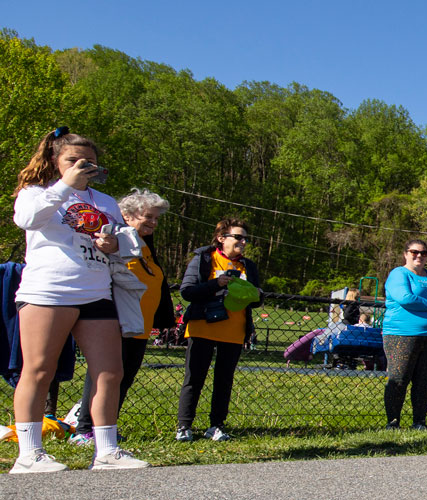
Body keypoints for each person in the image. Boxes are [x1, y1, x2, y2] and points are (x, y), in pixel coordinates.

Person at [9, 128, 147, 472]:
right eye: (74, 160)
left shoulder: (105, 202)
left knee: (109, 372)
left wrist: (114, 245)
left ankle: (107, 451)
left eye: (90, 163)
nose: (83, 167)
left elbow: (130, 243)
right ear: (56, 162)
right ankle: (29, 454)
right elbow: (27, 220)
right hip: (49, 292)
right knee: (40, 370)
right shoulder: (36, 193)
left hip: (96, 292)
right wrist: (64, 185)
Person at [68, 188, 176, 446]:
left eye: (156, 218)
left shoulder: (145, 244)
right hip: (116, 319)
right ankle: (83, 429)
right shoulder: (115, 238)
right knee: (102, 374)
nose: (153, 222)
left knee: (123, 378)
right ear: (127, 216)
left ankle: (106, 428)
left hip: (140, 323)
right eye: (148, 217)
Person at [175, 217, 261, 443]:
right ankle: (184, 426)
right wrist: (217, 283)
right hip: (202, 327)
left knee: (224, 380)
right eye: (238, 237)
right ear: (221, 238)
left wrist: (252, 293)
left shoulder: (247, 266)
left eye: (245, 238)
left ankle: (216, 426)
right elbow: (187, 292)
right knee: (194, 378)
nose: (243, 242)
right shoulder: (204, 258)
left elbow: (257, 300)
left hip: (233, 331)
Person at [383, 239, 427, 430]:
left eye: (424, 253)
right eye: (415, 252)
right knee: (399, 377)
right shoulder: (399, 274)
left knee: (424, 380)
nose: (419, 256)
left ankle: (419, 421)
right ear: (406, 253)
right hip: (401, 333)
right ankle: (393, 422)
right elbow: (406, 298)